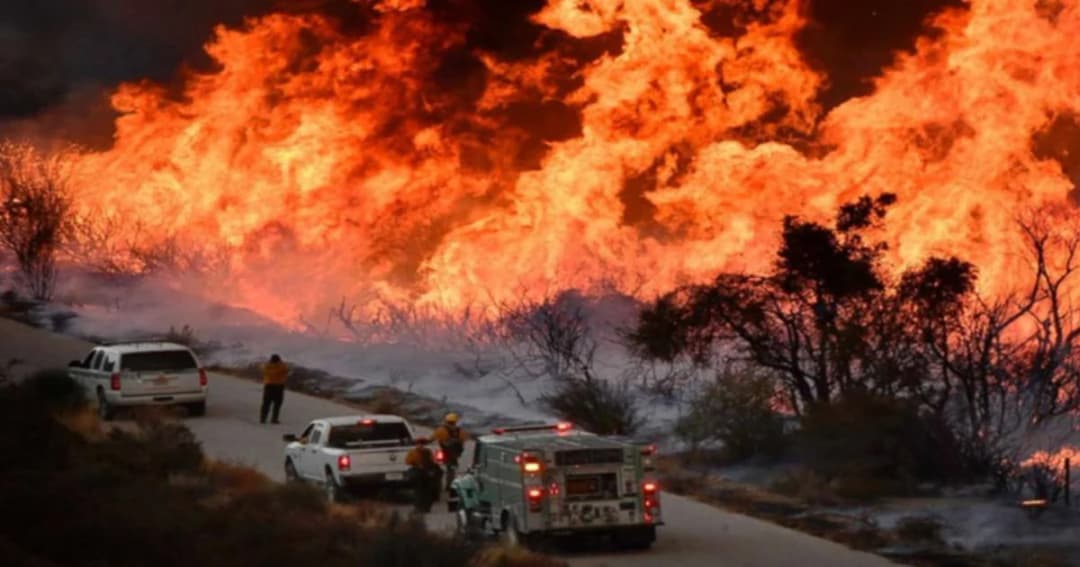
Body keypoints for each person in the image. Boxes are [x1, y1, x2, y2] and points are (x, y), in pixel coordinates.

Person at [405, 437, 443, 513]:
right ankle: (419, 507)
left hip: (426, 473)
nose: (420, 446)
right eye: (419, 444)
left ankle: (425, 507)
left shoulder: (427, 452)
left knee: (426, 492)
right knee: (419, 491)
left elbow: (433, 462)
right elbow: (408, 461)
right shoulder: (413, 452)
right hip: (418, 473)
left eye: (422, 444)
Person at [432, 412, 468, 491]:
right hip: (454, 454)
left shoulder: (440, 430)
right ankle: (450, 485)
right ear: (456, 421)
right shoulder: (460, 431)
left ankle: (439, 486)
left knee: (438, 469)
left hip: (443, 452)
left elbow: (432, 439)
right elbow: (464, 440)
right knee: (451, 470)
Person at [260, 354, 288, 424]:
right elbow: (286, 370)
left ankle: (263, 418)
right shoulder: (281, 367)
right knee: (277, 404)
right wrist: (281, 363)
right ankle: (274, 419)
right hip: (278, 386)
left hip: (268, 386)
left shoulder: (267, 366)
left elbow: (262, 369)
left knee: (266, 403)